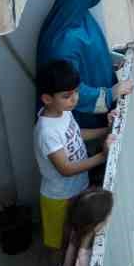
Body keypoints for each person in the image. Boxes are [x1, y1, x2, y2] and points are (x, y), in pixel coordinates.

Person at [36, 0, 134, 128]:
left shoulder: (78, 14)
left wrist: (113, 58)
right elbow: (67, 88)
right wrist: (110, 94)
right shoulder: (63, 43)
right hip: (85, 118)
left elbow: (91, 51)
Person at [34, 60, 113, 253]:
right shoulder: (47, 132)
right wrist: (103, 156)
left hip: (78, 189)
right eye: (67, 96)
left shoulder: (63, 112)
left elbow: (77, 134)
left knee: (75, 239)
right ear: (47, 99)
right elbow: (66, 168)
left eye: (76, 92)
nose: (75, 99)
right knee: (61, 244)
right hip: (60, 197)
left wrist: (106, 130)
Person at [55, 187, 113, 266]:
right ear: (96, 226)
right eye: (108, 215)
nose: (110, 217)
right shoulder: (83, 261)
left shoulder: (75, 230)